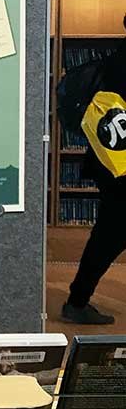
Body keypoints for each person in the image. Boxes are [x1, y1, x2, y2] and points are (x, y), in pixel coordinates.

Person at [62, 18, 126, 326]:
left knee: (109, 234)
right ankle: (77, 301)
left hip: (110, 163)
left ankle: (77, 300)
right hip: (121, 166)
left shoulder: (114, 58)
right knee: (109, 235)